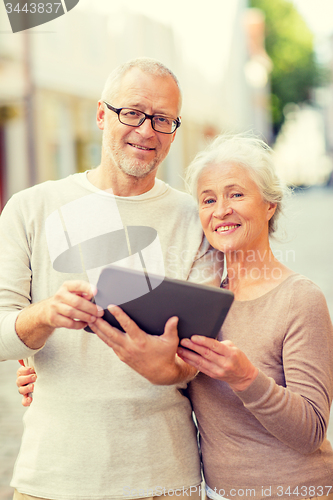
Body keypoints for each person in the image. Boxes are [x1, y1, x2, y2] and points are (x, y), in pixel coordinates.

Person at [49, 134, 332, 500]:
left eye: (236, 194)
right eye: (208, 199)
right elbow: (156, 368)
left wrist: (245, 377)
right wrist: (39, 373)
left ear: (269, 205)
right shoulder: (194, 299)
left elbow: (310, 431)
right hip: (217, 493)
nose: (221, 210)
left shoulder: (300, 298)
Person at [0, 57, 223, 500]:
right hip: (53, 477)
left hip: (163, 477)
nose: (147, 131)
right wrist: (44, 316)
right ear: (102, 115)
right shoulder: (30, 208)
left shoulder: (196, 218)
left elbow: (200, 357)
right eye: (133, 113)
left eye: (163, 120)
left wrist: (169, 366)